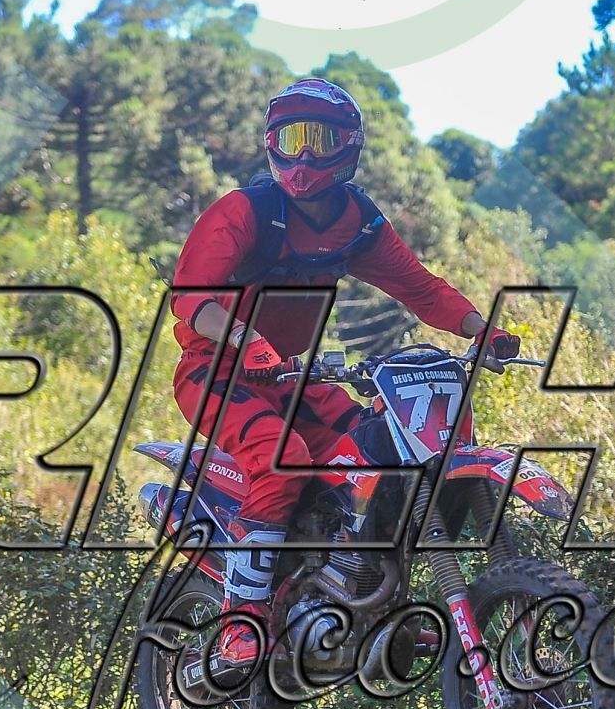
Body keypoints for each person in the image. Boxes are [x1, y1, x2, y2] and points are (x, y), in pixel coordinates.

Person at [167, 76, 520, 666]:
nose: (303, 156)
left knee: (379, 452)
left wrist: (481, 330)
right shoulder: (243, 211)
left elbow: (420, 288)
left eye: (320, 139)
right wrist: (246, 340)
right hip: (215, 370)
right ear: (271, 144)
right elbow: (190, 297)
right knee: (281, 457)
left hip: (292, 377)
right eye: (291, 139)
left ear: (348, 146)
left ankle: (362, 593)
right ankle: (241, 621)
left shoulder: (357, 221)